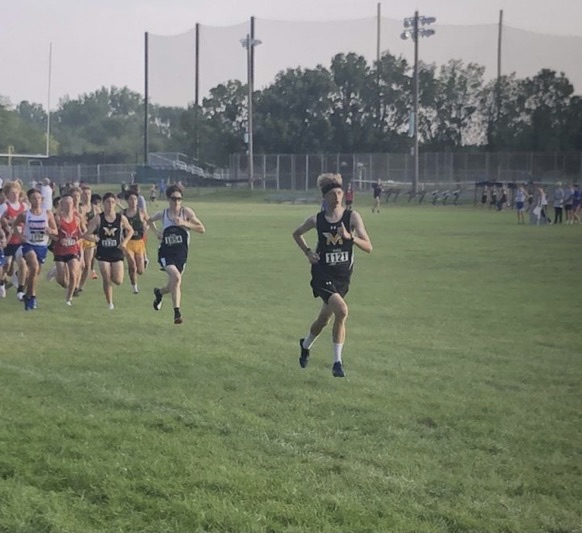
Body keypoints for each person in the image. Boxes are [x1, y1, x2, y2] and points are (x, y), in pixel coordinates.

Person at [292, 173, 373, 378]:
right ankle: (337, 363)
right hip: (322, 273)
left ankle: (306, 344)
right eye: (332, 194)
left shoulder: (352, 217)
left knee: (324, 319)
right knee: (342, 311)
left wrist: (351, 237)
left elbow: (368, 247)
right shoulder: (317, 220)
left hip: (342, 277)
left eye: (339, 192)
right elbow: (297, 233)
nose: (337, 197)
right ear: (324, 197)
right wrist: (308, 252)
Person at [147, 184, 206, 325]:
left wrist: (185, 224)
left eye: (179, 199)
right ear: (169, 199)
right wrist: (156, 233)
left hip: (181, 254)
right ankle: (177, 313)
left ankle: (159, 293)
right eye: (174, 199)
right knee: (176, 277)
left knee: (174, 283)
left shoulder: (186, 213)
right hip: (166, 252)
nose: (177, 202)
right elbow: (149, 220)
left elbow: (202, 228)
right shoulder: (164, 214)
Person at [81, 192, 134, 310]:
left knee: (118, 280)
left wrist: (124, 242)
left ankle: (112, 283)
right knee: (106, 276)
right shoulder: (98, 218)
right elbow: (87, 234)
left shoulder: (121, 218)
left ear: (115, 204)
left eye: (112, 202)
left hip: (116, 251)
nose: (110, 204)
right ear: (103, 204)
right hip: (103, 252)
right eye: (107, 202)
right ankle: (110, 303)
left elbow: (130, 230)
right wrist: (94, 238)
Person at [13, 188, 58, 310]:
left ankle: (29, 295)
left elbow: (55, 230)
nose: (37, 200)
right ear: (29, 200)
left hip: (42, 246)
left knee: (35, 274)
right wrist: (20, 236)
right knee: (34, 267)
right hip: (28, 244)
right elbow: (15, 225)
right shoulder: (25, 214)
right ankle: (32, 297)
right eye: (34, 198)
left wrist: (50, 230)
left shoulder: (47, 213)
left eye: (39, 198)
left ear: (42, 199)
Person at [53, 193, 85, 305]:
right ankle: (56, 272)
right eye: (66, 203)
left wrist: (82, 238)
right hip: (60, 250)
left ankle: (69, 299)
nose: (68, 205)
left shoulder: (77, 218)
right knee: (62, 281)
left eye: (70, 203)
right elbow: (53, 234)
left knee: (73, 273)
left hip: (73, 249)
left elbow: (81, 233)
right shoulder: (57, 218)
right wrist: (57, 239)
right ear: (62, 205)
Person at [0, 180, 28, 300]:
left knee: (22, 264)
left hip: (20, 240)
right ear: (7, 194)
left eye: (16, 192)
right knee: (7, 267)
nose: (15, 195)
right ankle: (2, 282)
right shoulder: (4, 207)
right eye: (12, 193)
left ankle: (20, 291)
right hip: (7, 240)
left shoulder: (25, 207)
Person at [123, 190, 149, 294]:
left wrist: (147, 227)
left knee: (140, 271)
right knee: (132, 265)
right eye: (131, 199)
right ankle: (134, 287)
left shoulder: (141, 212)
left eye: (135, 199)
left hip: (139, 243)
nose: (133, 201)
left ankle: (145, 261)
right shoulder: (123, 214)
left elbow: (149, 221)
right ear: (127, 201)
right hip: (128, 243)